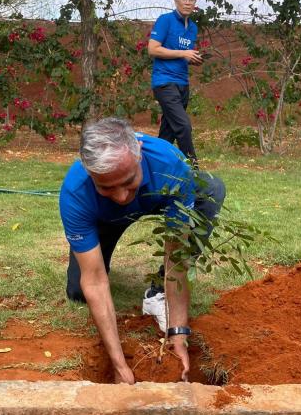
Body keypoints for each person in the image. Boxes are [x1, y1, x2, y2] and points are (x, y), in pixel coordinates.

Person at [59, 118, 225, 384]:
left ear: (138, 152)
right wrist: (119, 364)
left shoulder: (170, 165)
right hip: (105, 218)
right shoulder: (76, 193)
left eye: (128, 181)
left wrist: (178, 333)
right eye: (106, 187)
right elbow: (94, 280)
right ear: (90, 173)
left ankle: (157, 290)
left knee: (211, 189)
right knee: (79, 291)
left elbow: (177, 257)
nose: (121, 196)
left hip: (157, 198)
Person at [148, 0, 202, 166]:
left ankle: (154, 168)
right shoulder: (165, 20)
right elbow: (153, 49)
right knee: (183, 126)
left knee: (168, 132)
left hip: (182, 84)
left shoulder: (193, 28)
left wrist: (191, 58)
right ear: (176, 0)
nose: (188, 3)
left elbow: (180, 53)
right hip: (164, 83)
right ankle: (194, 170)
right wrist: (183, 53)